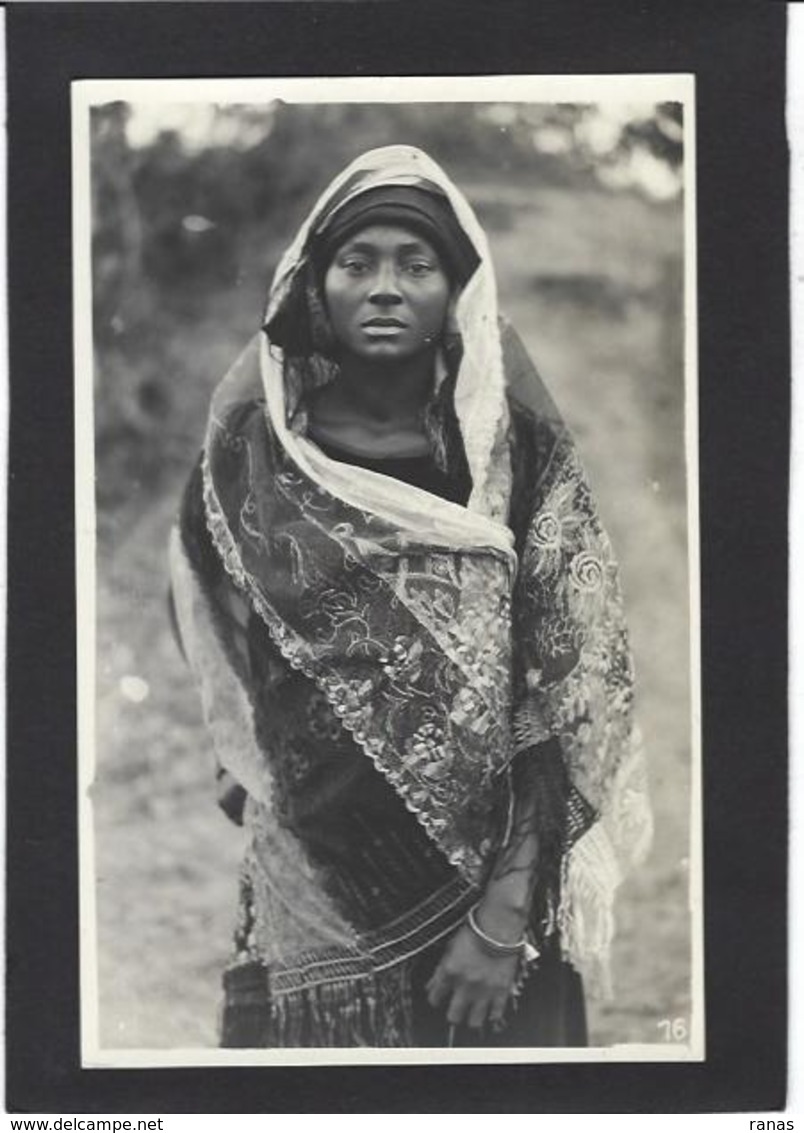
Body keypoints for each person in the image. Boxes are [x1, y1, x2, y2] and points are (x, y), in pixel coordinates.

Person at [169, 145, 652, 1048]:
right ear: (316, 285)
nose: (384, 286)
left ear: (456, 290)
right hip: (313, 873)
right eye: (357, 263)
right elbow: (200, 586)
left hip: (490, 878)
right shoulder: (258, 450)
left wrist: (504, 916)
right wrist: (242, 747)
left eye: (414, 264)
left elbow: (566, 683)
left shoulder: (512, 457)